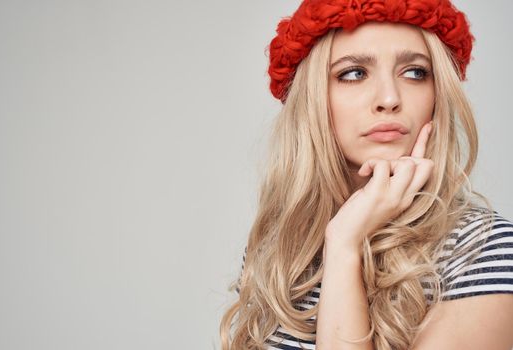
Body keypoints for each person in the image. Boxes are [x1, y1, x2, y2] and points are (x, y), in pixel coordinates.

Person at [219, 0, 513, 349]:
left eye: (415, 72)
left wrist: (345, 246)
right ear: (312, 98)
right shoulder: (281, 248)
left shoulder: (483, 249)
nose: (389, 98)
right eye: (354, 73)